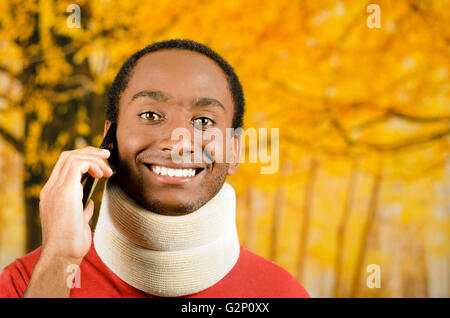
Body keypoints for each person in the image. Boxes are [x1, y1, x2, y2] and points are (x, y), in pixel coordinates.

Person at [0, 39, 310, 298]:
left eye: (204, 121)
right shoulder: (25, 283)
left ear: (234, 150)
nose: (178, 144)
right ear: (110, 139)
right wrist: (59, 260)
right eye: (150, 115)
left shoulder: (281, 293)